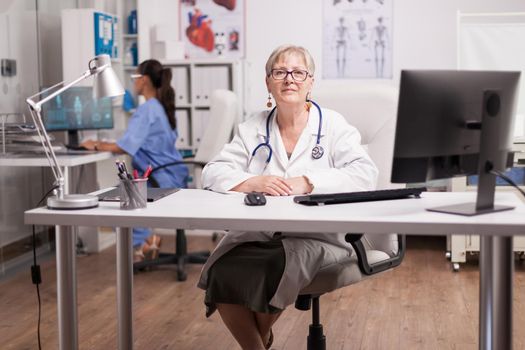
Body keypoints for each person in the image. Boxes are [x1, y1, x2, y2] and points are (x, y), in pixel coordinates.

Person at [197, 45, 378, 350]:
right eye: (279, 72)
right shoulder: (252, 126)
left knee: (271, 270)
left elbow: (365, 174)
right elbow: (213, 172)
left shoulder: (332, 125)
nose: (289, 79)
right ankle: (258, 343)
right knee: (220, 272)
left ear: (311, 81)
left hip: (316, 237)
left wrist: (307, 182)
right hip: (258, 233)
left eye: (298, 72)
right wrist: (250, 180)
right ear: (268, 82)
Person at [81, 59, 189, 262]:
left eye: (135, 78)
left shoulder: (148, 108)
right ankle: (146, 243)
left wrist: (95, 144)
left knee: (110, 203)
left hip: (161, 177)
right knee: (119, 196)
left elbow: (124, 146)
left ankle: (145, 239)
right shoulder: (161, 106)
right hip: (174, 175)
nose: (133, 83)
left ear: (144, 80)